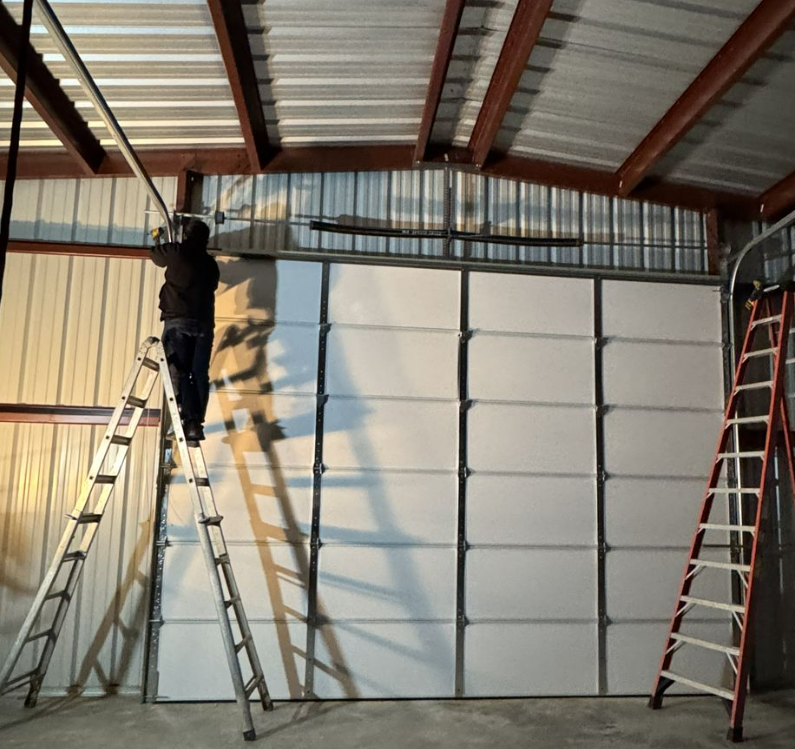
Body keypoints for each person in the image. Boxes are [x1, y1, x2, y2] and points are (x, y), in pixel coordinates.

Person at [150, 218, 219, 442]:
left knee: (177, 370)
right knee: (198, 373)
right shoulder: (211, 264)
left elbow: (155, 256)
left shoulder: (177, 251)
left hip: (178, 320)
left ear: (186, 235)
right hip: (203, 325)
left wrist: (162, 243)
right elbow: (213, 285)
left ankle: (181, 418)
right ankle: (194, 423)